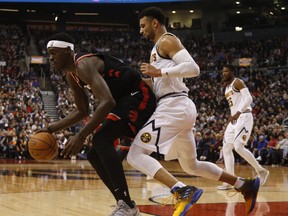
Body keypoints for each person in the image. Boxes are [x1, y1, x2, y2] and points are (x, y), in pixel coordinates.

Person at [127, 7, 260, 216]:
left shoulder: (166, 40)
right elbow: (162, 84)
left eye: (143, 25)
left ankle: (181, 191)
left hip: (174, 107)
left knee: (135, 155)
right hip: (178, 107)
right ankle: (244, 184)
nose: (141, 30)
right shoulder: (156, 50)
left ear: (155, 23)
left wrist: (159, 72)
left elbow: (194, 68)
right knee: (191, 165)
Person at [45, 32, 156, 216]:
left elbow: (107, 102)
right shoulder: (71, 76)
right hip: (122, 101)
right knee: (93, 154)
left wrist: (80, 136)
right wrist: (51, 129)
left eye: (53, 53)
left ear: (67, 51)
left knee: (101, 139)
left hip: (138, 95)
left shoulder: (83, 64)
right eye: (49, 54)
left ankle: (126, 205)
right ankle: (126, 204)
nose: (50, 58)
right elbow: (82, 110)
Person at [217, 65, 269, 190]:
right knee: (226, 148)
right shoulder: (226, 88)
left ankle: (261, 171)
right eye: (223, 71)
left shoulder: (238, 82)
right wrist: (234, 115)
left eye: (226, 71)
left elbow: (249, 98)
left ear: (232, 72)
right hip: (234, 119)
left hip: (244, 116)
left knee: (238, 147)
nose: (224, 73)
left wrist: (238, 112)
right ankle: (231, 180)